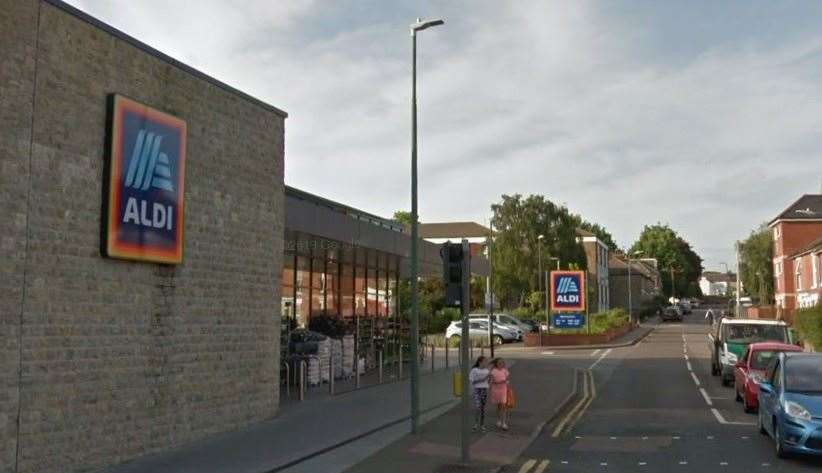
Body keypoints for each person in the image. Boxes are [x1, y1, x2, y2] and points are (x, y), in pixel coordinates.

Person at [489, 358, 511, 431]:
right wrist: (499, 382)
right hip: (496, 390)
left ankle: (503, 423)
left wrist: (507, 385)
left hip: (503, 390)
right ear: (496, 364)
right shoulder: (493, 371)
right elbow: (491, 382)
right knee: (498, 406)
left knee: (503, 406)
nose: (501, 364)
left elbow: (507, 379)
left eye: (502, 363)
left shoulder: (505, 371)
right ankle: (499, 420)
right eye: (499, 363)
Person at [469, 356, 490, 432]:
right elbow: (472, 381)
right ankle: (475, 424)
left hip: (484, 390)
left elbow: (488, 382)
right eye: (485, 361)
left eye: (486, 361)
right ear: (480, 362)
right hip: (477, 389)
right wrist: (483, 379)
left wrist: (489, 379)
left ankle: (482, 424)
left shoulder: (487, 371)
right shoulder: (474, 370)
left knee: (482, 408)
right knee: (478, 407)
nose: (486, 363)